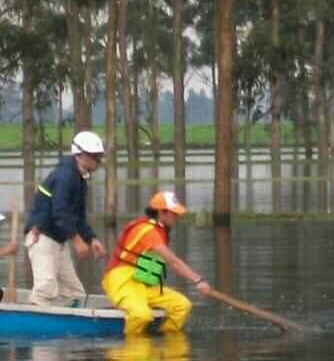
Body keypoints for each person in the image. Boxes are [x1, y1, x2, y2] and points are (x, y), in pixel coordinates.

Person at [102, 191, 211, 335]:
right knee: (141, 315)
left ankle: (165, 343)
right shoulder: (147, 230)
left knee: (182, 306)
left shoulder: (160, 230)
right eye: (174, 213)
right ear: (161, 212)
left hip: (142, 283)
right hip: (122, 281)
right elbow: (173, 261)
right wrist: (198, 280)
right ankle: (131, 348)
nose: (177, 217)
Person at [24, 131, 107, 306]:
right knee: (45, 289)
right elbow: (59, 213)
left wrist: (91, 239)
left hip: (58, 240)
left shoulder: (80, 179)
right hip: (42, 237)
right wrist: (77, 241)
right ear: (80, 154)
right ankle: (33, 324)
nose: (97, 161)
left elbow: (77, 216)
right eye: (93, 156)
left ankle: (73, 328)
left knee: (75, 293)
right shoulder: (64, 176)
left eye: (98, 157)